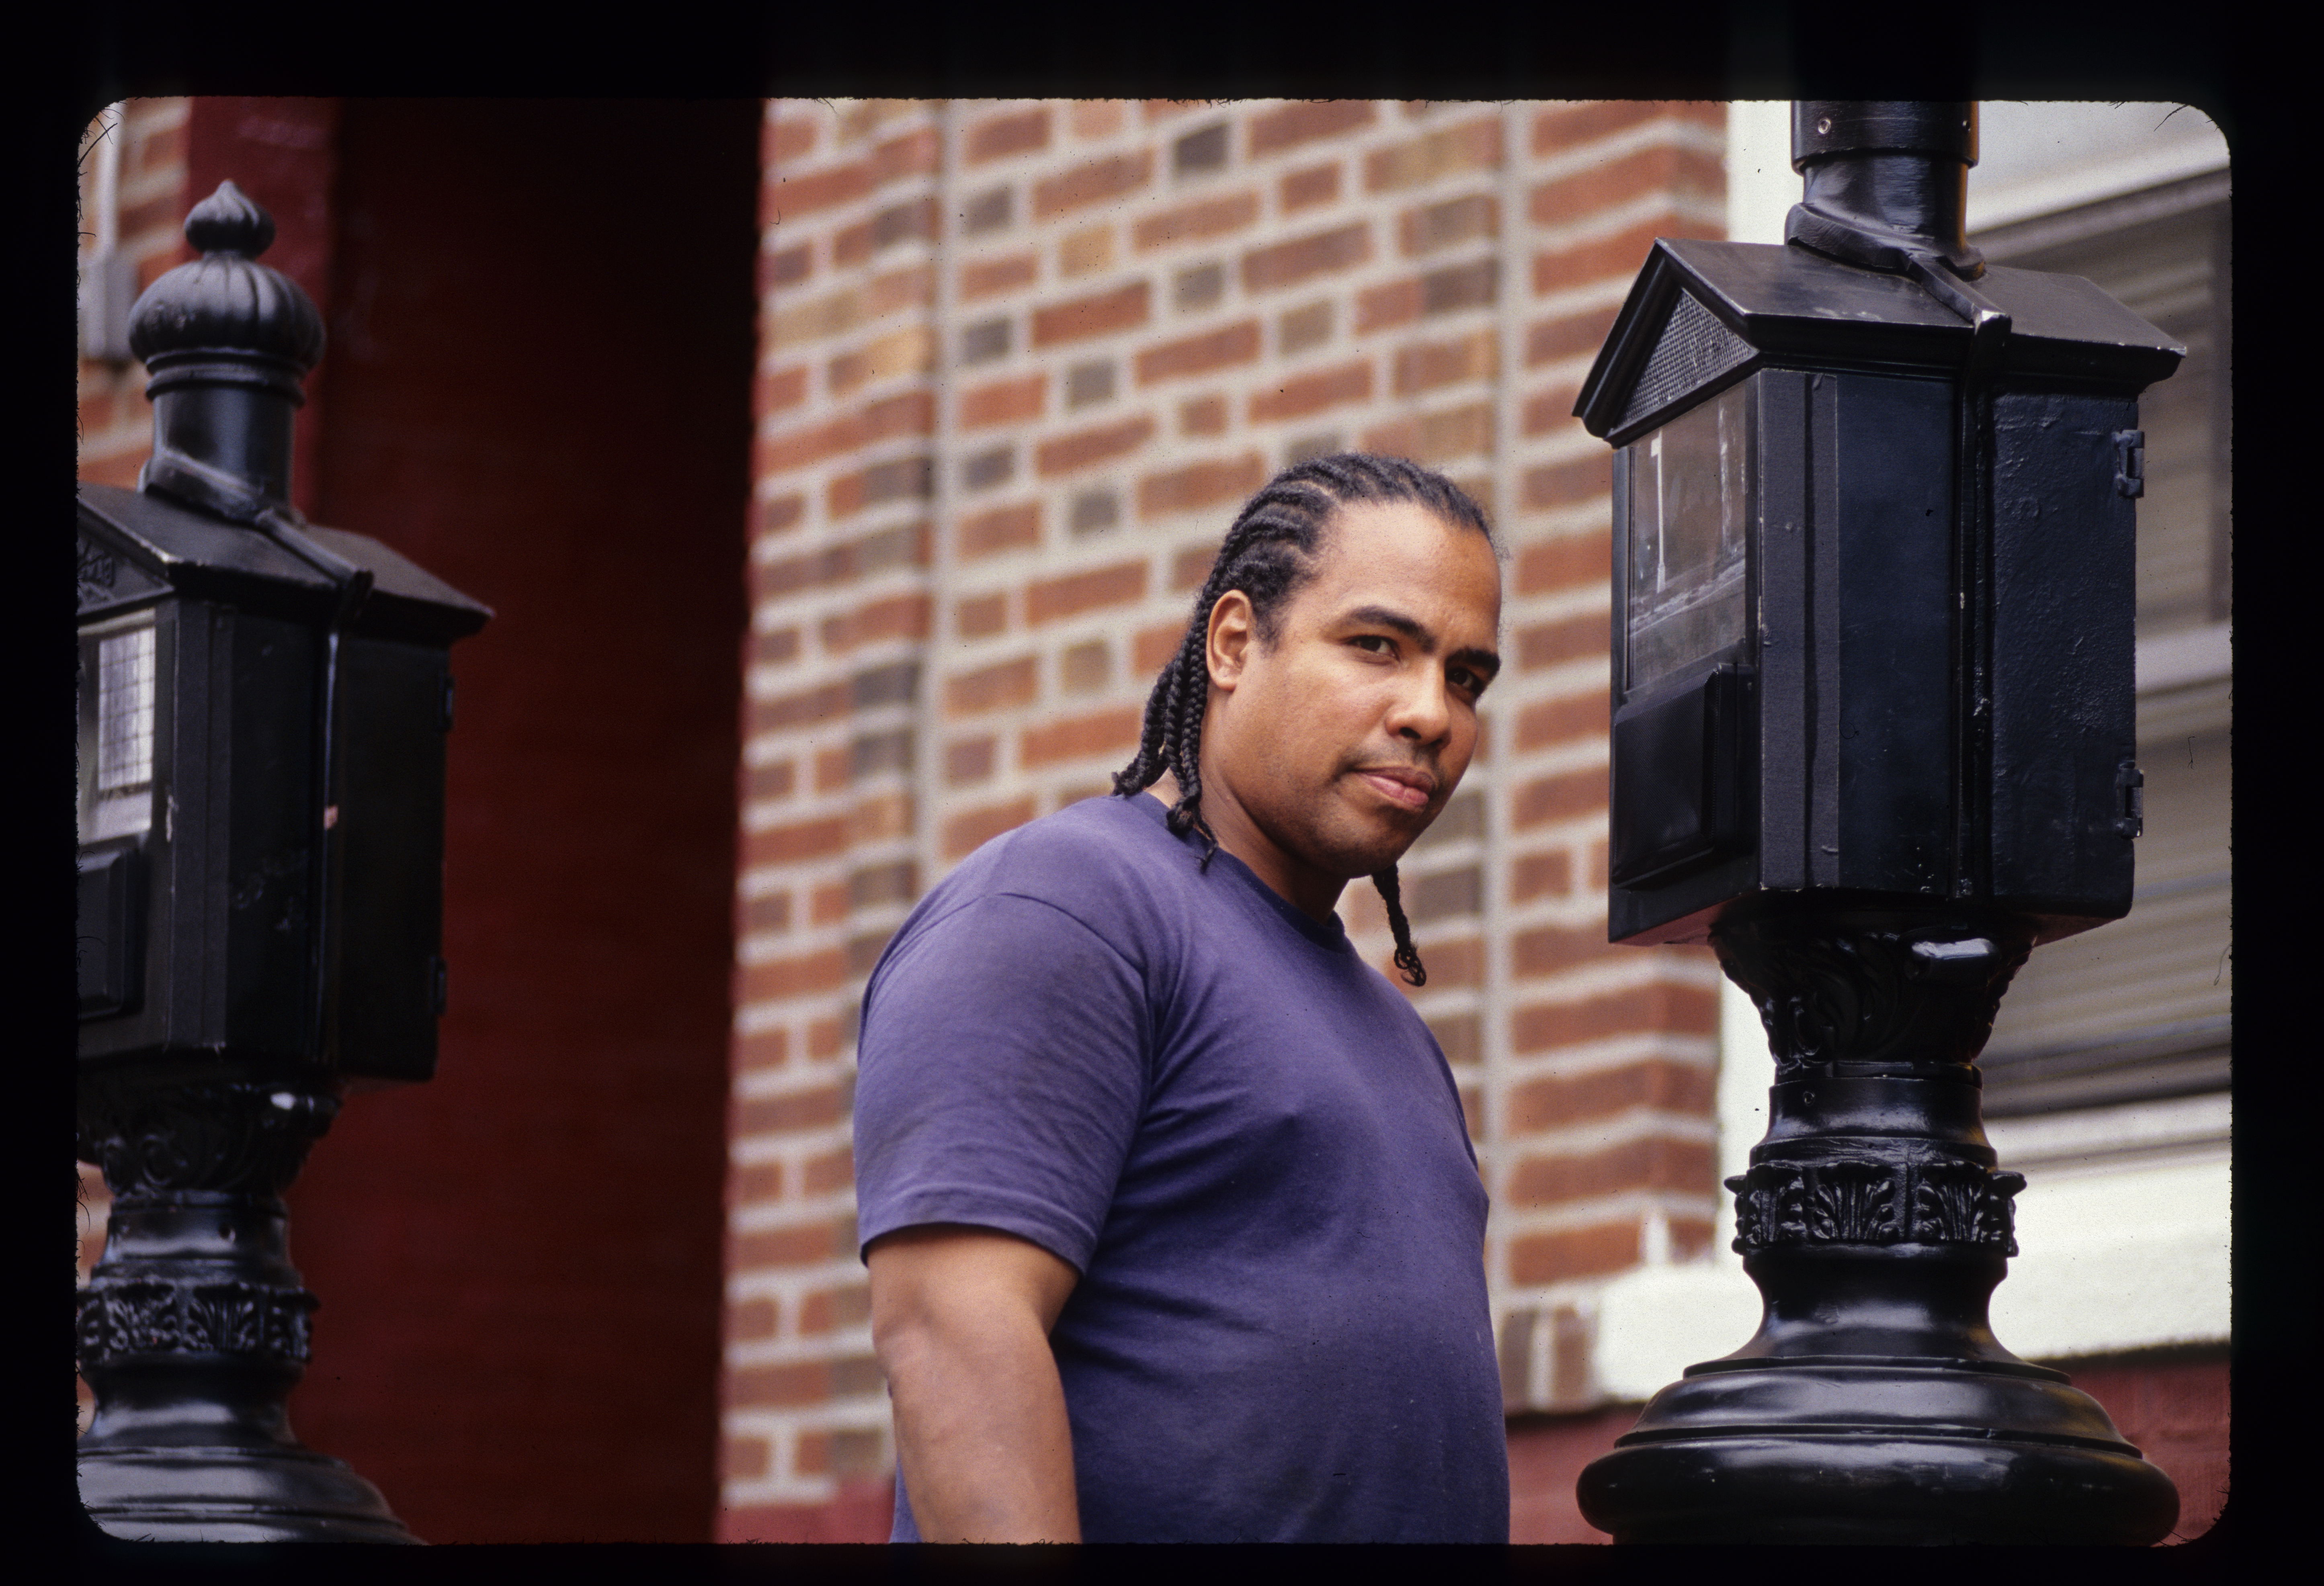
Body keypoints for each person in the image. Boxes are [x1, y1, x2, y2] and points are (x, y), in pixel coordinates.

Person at [853, 453, 1509, 1543]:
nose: (1430, 713)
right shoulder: (1069, 904)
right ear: (1236, 642)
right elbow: (948, 1330)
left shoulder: (1395, 1032)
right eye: (1376, 646)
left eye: (1468, 677)